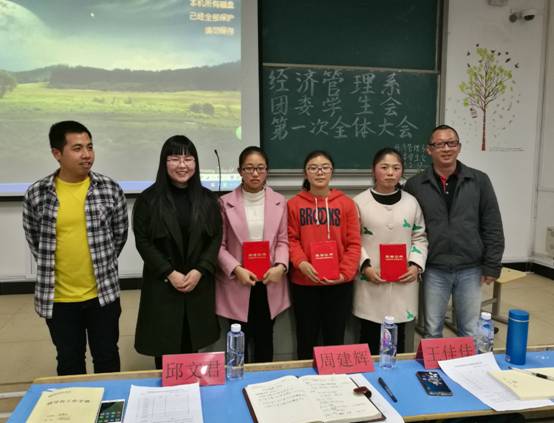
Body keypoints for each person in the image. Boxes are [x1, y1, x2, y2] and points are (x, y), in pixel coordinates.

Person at [22, 120, 128, 375]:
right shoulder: (37, 193)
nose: (87, 154)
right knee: (69, 361)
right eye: (77, 148)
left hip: (102, 295)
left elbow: (119, 235)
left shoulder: (109, 188)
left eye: (90, 147)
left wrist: (103, 263)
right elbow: (35, 240)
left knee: (107, 357)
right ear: (57, 153)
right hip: (59, 299)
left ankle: (109, 401)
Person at [405, 124, 505, 338]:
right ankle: (434, 362)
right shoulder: (415, 185)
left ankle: (468, 361)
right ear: (429, 149)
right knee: (432, 330)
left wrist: (492, 264)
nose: (446, 148)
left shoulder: (479, 180)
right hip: (434, 267)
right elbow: (410, 229)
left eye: (451, 143)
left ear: (459, 147)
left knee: (469, 330)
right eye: (440, 144)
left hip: (470, 267)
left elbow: (492, 224)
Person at [133, 135, 222, 369]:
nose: (182, 165)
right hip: (163, 286)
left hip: (196, 284)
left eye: (188, 159)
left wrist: (200, 270)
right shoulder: (148, 199)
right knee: (165, 350)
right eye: (174, 158)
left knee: (192, 348)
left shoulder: (208, 199)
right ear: (164, 162)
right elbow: (143, 242)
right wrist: (169, 272)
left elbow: (216, 238)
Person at [216, 146, 290, 363]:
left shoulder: (279, 201)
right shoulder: (224, 202)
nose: (255, 173)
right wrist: (236, 269)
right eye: (249, 168)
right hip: (238, 281)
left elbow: (283, 240)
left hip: (269, 280)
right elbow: (218, 246)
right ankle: (238, 381)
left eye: (260, 168)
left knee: (265, 341)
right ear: (240, 171)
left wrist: (280, 266)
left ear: (267, 171)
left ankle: (264, 383)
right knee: (238, 344)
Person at [352, 147, 428, 354]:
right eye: (384, 167)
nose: (390, 173)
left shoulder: (411, 202)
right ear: (373, 170)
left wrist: (415, 265)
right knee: (368, 334)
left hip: (403, 282)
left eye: (396, 168)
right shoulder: (359, 202)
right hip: (371, 280)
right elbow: (353, 240)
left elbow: (420, 236)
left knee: (398, 337)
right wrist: (365, 266)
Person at [287, 150, 361, 359]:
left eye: (325, 167)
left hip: (339, 285)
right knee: (306, 338)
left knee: (335, 338)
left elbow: (354, 243)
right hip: (304, 283)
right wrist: (301, 263)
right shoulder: (293, 204)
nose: (319, 172)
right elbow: (291, 239)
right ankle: (305, 377)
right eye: (313, 168)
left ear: (332, 171)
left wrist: (343, 273)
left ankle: (334, 378)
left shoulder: (346, 204)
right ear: (305, 173)